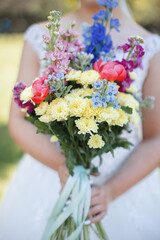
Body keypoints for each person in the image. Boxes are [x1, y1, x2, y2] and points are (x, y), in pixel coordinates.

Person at [0, 0, 160, 239]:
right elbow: (18, 119)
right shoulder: (41, 35)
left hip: (122, 181)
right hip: (53, 172)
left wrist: (110, 190)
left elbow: (155, 137)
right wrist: (62, 165)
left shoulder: (148, 46)